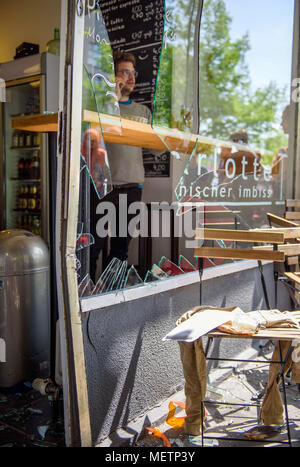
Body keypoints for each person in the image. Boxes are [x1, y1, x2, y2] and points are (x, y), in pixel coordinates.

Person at [89, 51, 152, 284]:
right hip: (103, 188)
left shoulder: (143, 112)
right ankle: (85, 303)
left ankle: (109, 301)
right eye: (125, 72)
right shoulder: (100, 106)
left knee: (119, 253)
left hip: (133, 188)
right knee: (92, 249)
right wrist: (110, 98)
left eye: (133, 72)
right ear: (112, 76)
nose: (132, 78)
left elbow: (155, 150)